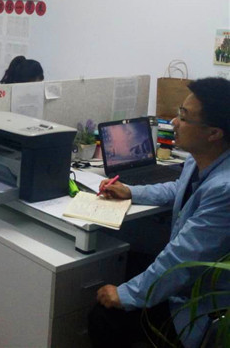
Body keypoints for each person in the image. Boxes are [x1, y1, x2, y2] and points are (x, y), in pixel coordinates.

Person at [89, 77, 230, 348]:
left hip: (198, 306)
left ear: (214, 133)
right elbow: (180, 188)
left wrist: (125, 295)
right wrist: (132, 191)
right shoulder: (202, 159)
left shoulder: (225, 189)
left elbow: (183, 257)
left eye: (184, 117)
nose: (174, 122)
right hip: (184, 280)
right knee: (130, 260)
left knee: (103, 318)